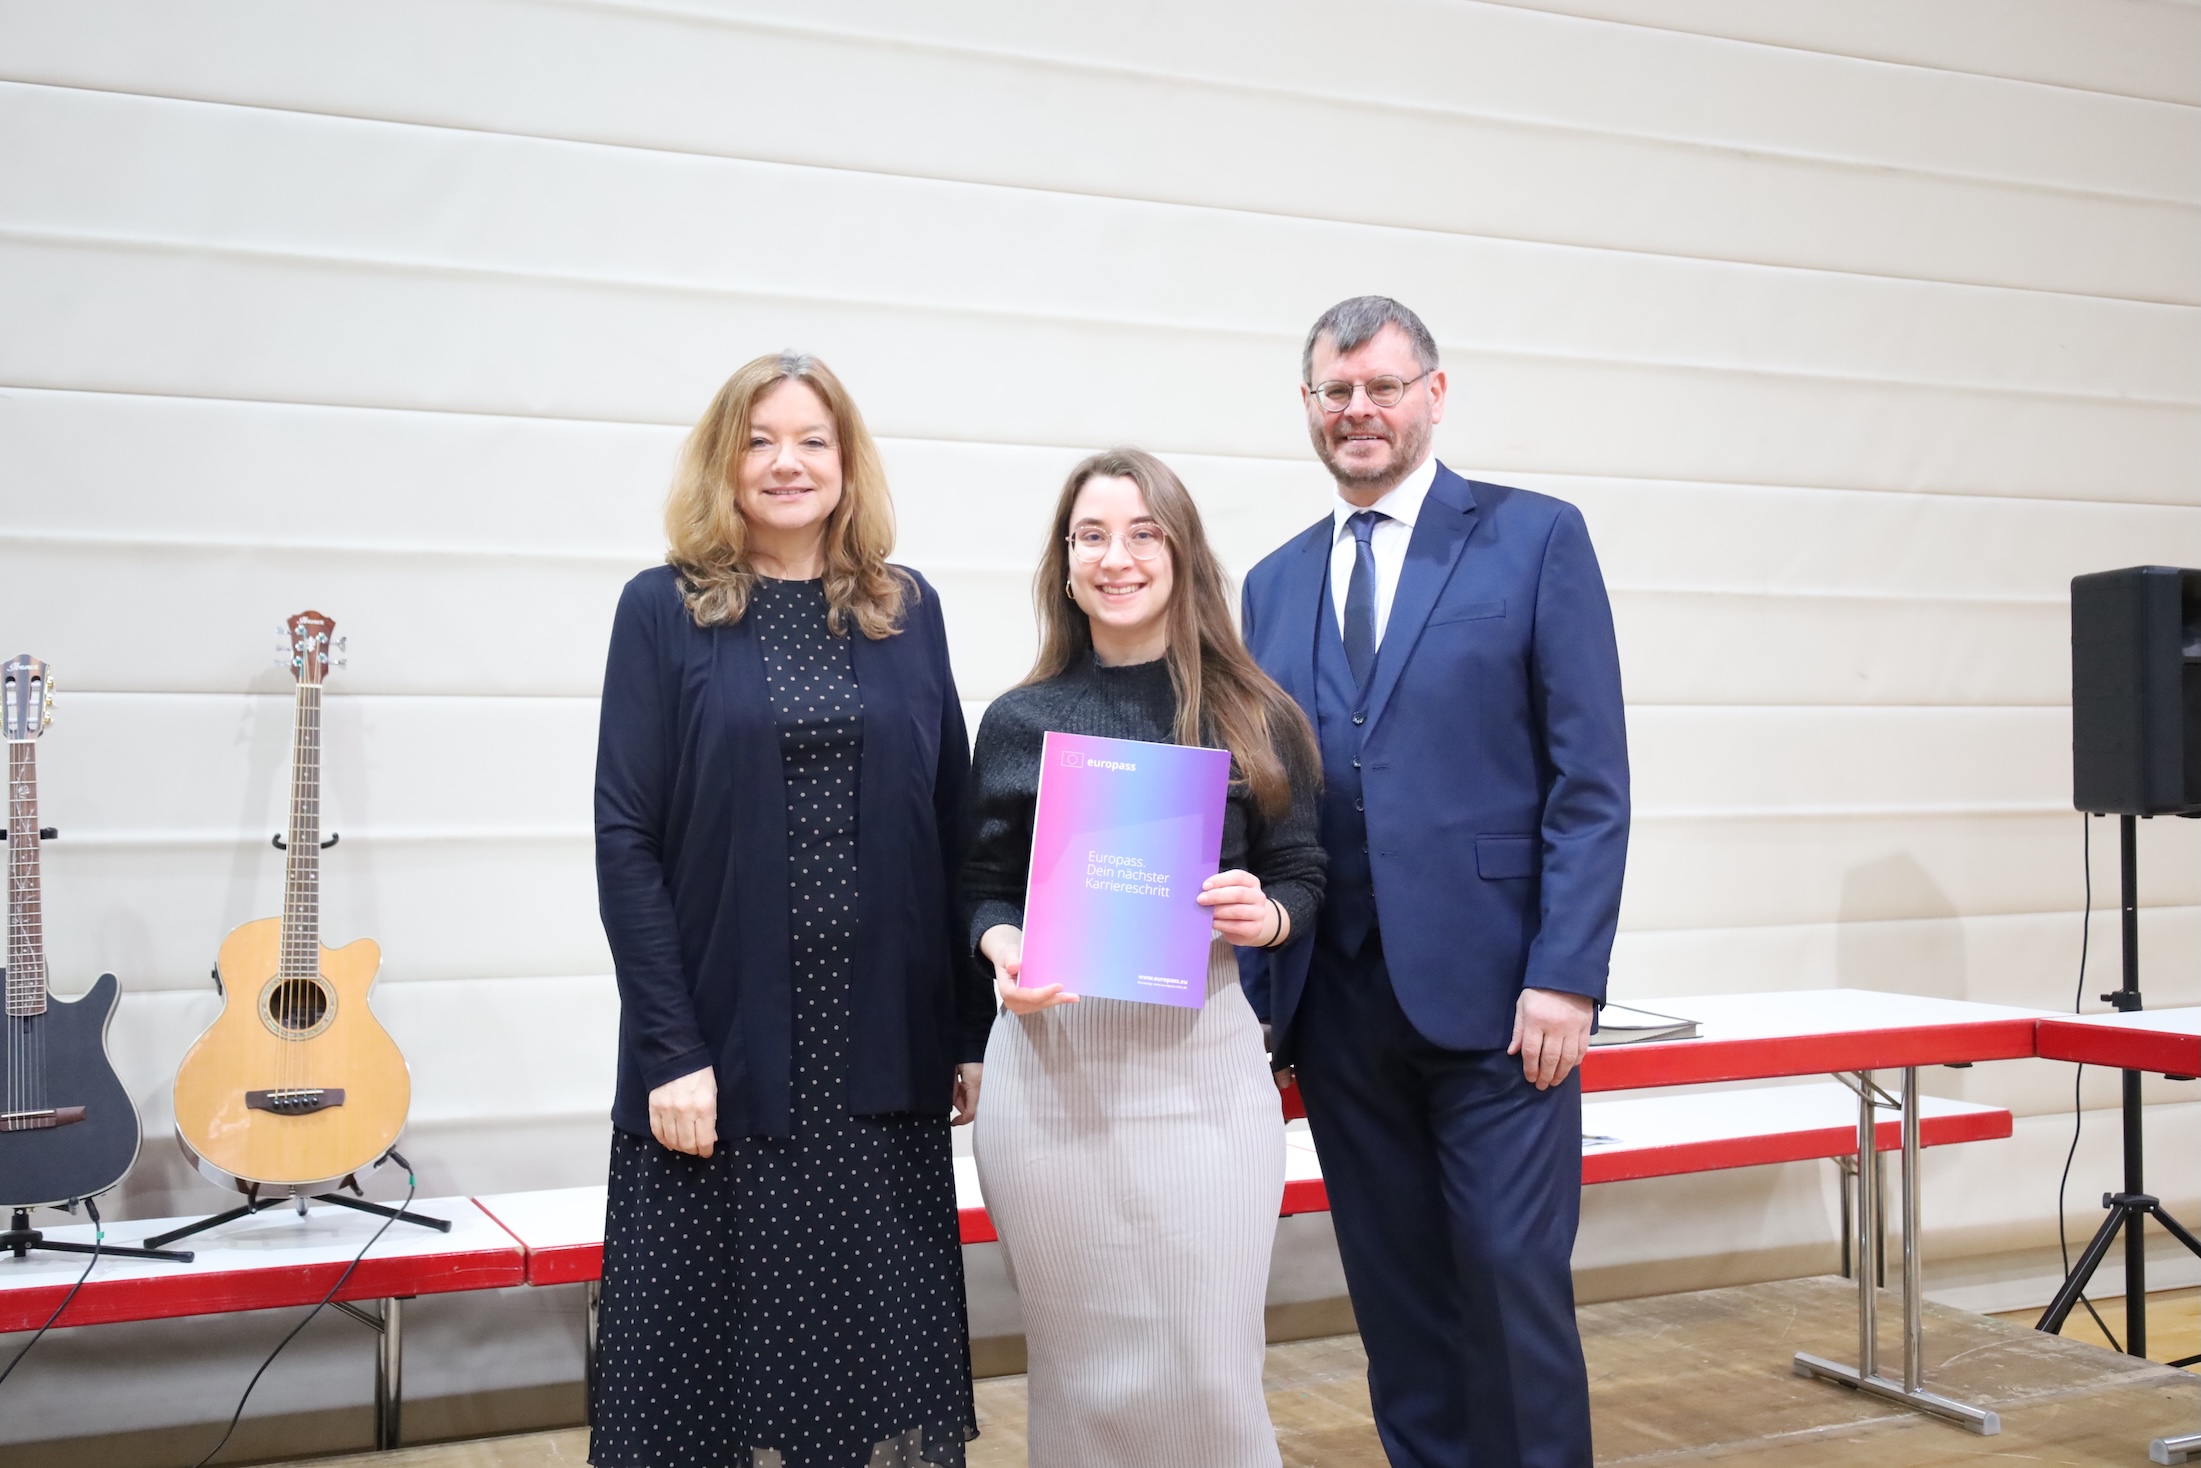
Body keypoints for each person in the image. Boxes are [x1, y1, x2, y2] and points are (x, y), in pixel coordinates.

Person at [1238, 297, 1630, 1468]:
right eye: (1335, 391)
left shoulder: (1533, 538)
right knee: (1396, 1298)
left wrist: (1566, 973)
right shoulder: (1270, 583)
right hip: (1338, 1009)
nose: (1357, 410)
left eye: (1381, 386)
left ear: (1433, 394)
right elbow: (1260, 803)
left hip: (1503, 1002)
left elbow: (1588, 782)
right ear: (1307, 405)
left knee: (1510, 1282)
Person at [591, 351, 987, 1468]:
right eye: (760, 440)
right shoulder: (662, 609)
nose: (787, 462)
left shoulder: (907, 608)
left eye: (813, 439)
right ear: (723, 461)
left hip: (879, 1055)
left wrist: (966, 1032)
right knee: (714, 1380)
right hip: (721, 1056)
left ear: (847, 461)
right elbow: (625, 838)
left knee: (865, 1371)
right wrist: (670, 1050)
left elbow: (955, 819)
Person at [962, 448, 1325, 1468]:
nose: (1114, 557)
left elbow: (1302, 874)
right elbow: (980, 884)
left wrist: (1265, 916)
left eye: (1141, 533)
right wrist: (1003, 947)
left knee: (1211, 1372)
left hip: (1201, 1070)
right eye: (1090, 536)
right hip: (1052, 1072)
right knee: (1080, 1378)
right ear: (1065, 563)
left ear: (1181, 554)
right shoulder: (1019, 719)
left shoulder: (1253, 710)